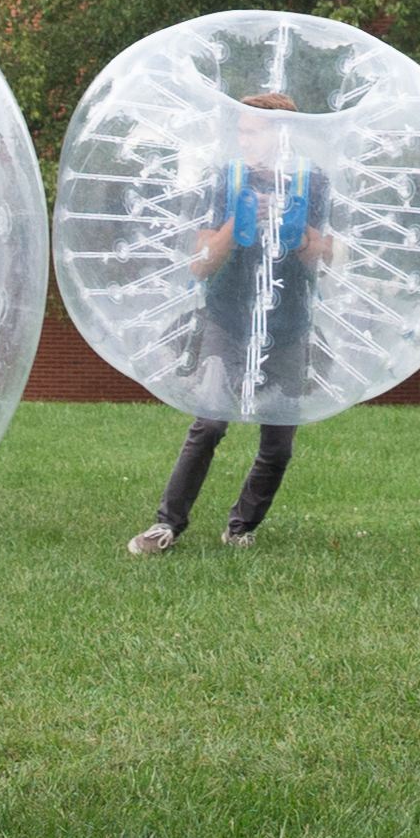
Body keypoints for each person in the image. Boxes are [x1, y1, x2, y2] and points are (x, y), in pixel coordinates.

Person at [132, 92, 334, 555]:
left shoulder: (313, 182)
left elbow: (325, 260)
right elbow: (200, 265)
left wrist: (295, 228)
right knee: (210, 424)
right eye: (241, 131)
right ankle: (167, 525)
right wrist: (239, 220)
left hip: (289, 323)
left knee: (278, 444)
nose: (244, 140)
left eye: (253, 131)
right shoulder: (226, 179)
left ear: (282, 134)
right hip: (226, 317)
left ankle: (241, 526)